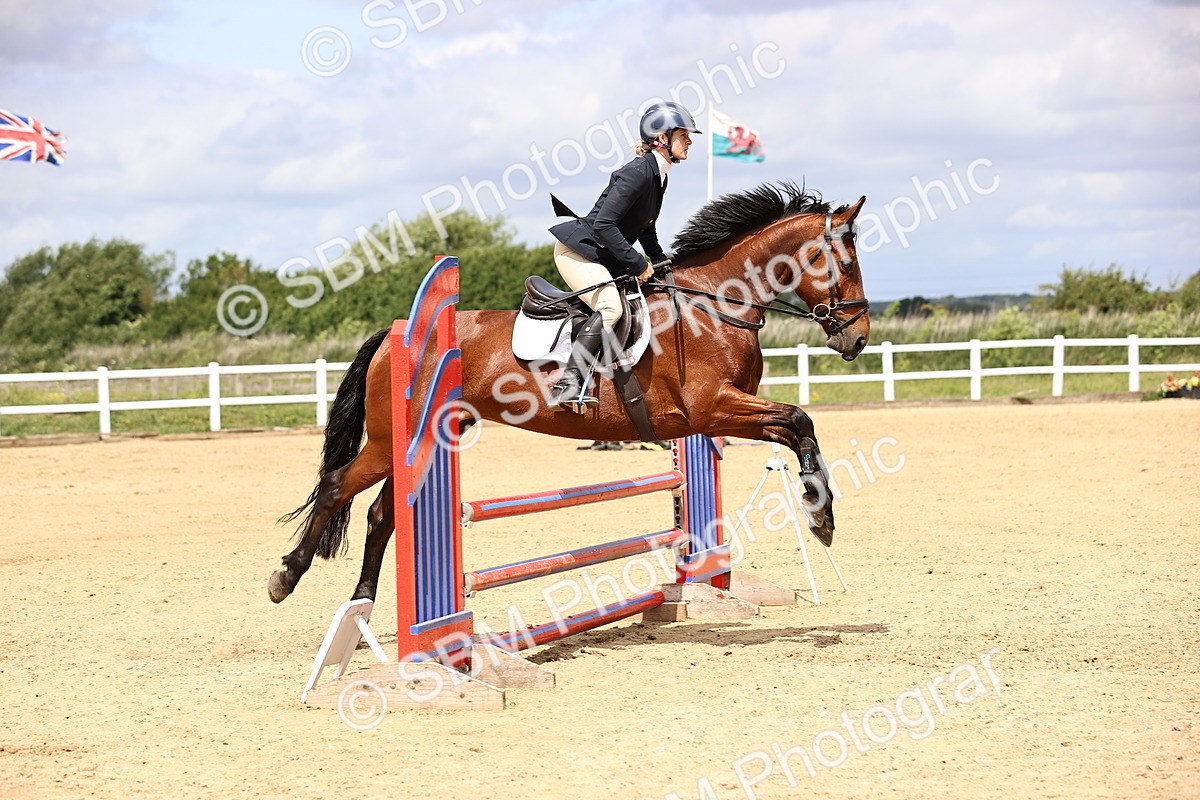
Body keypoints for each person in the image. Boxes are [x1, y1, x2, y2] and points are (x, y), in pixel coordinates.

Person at [546, 100, 702, 410]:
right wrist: (636, 262)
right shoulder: (636, 173)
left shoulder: (659, 175)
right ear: (662, 138)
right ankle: (567, 383)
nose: (690, 141)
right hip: (579, 252)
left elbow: (646, 228)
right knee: (610, 308)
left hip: (604, 254)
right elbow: (604, 225)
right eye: (684, 135)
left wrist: (660, 262)